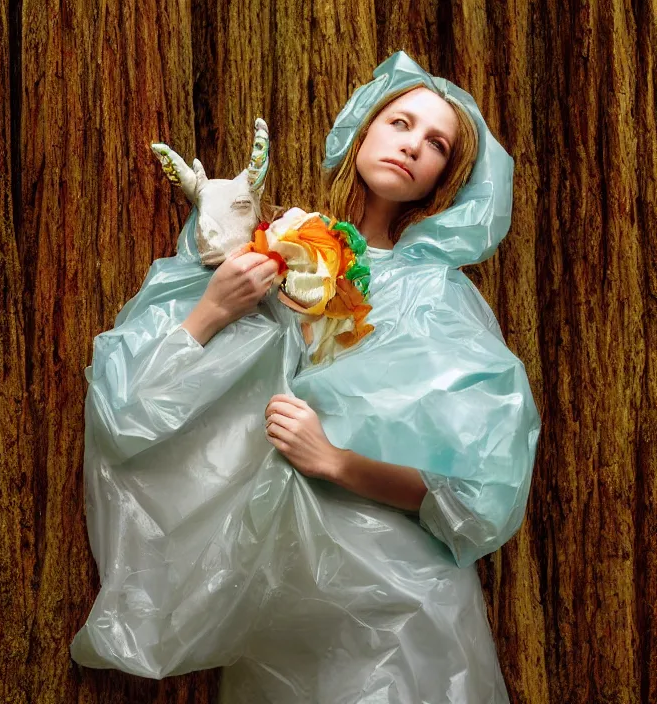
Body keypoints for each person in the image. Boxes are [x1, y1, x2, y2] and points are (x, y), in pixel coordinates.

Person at [71, 52, 540, 704]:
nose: (412, 146)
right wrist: (215, 307)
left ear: (446, 179)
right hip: (281, 599)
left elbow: (479, 491)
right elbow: (134, 402)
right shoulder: (277, 247)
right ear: (363, 128)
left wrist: (338, 461)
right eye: (400, 122)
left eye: (436, 143)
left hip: (401, 607)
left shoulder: (437, 298)